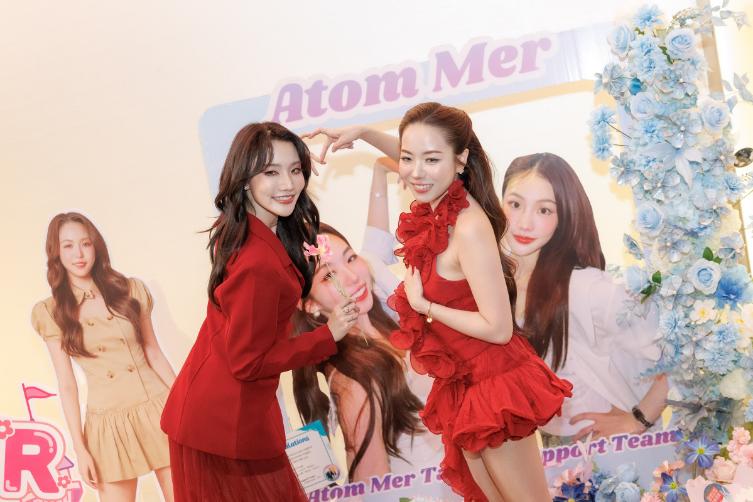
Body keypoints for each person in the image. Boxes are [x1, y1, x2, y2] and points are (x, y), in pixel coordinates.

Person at [306, 103, 572, 501]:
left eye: (432, 159)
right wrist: (364, 132)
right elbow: (420, 161)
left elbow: (499, 328)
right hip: (463, 383)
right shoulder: (437, 209)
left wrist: (426, 307)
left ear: (460, 160)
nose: (416, 172)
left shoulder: (468, 226)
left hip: (493, 384)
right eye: (408, 158)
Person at [160, 122, 357, 501]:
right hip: (220, 424)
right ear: (245, 179)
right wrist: (327, 336)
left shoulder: (253, 229)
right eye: (270, 172)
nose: (288, 184)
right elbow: (248, 361)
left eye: (295, 170)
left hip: (222, 414)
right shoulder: (256, 261)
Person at [292, 159, 445, 483]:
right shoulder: (353, 379)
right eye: (328, 275)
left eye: (350, 258)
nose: (351, 277)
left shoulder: (386, 319)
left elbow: (374, 246)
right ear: (309, 305)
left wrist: (380, 171)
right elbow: (371, 486)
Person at [500, 153, 667, 443]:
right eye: (515, 204)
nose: (525, 223)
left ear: (564, 217)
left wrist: (639, 418)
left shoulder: (586, 287)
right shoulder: (498, 287)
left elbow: (682, 352)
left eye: (544, 210)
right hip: (553, 447)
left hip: (608, 446)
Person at [31, 212, 175, 502]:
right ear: (56, 253)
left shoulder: (130, 290)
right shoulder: (51, 311)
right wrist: (80, 448)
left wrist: (184, 404)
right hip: (107, 424)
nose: (79, 254)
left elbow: (153, 352)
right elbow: (67, 385)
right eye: (68, 246)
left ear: (96, 246)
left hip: (157, 407)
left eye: (85, 243)